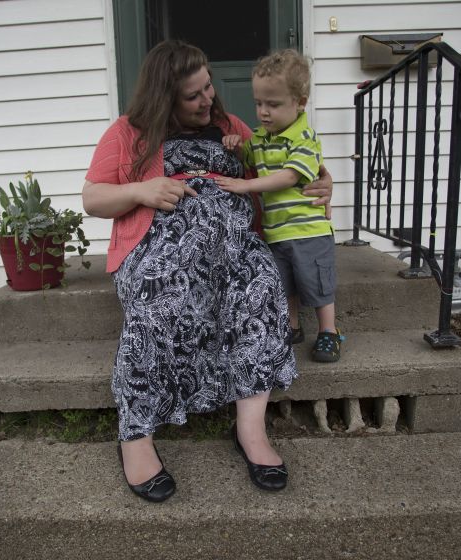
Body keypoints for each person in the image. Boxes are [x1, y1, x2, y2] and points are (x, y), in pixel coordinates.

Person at [81, 40, 333, 502]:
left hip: (234, 245)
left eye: (209, 87)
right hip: (160, 247)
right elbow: (93, 198)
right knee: (160, 297)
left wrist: (323, 177)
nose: (210, 99)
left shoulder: (231, 128)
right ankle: (136, 436)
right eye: (194, 94)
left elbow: (291, 155)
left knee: (260, 284)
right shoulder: (127, 132)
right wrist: (141, 189)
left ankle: (251, 431)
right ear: (164, 98)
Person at [217, 49, 343, 363]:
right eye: (259, 103)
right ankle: (292, 326)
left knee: (316, 282)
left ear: (300, 102)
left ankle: (329, 331)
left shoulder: (305, 137)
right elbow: (248, 158)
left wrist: (247, 185)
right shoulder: (260, 138)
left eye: (273, 104)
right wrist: (235, 147)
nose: (263, 112)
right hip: (276, 232)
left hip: (308, 230)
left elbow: (288, 176)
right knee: (284, 282)